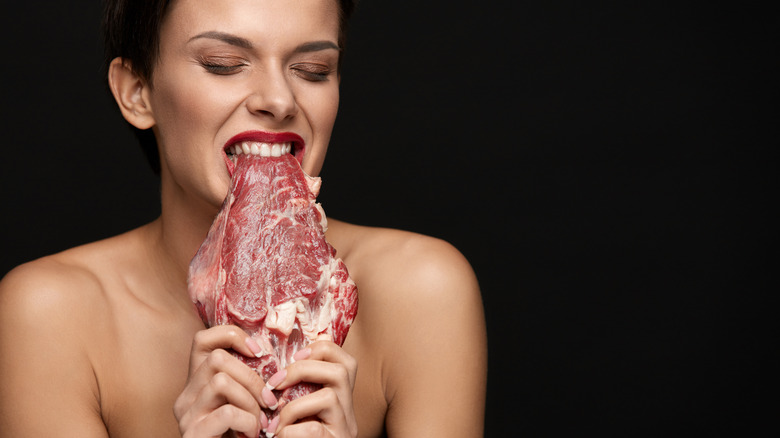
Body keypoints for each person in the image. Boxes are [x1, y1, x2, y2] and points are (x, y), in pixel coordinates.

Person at [0, 0, 487, 436]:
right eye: (224, 64)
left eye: (314, 70)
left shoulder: (422, 292)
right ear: (137, 92)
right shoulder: (49, 316)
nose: (279, 100)